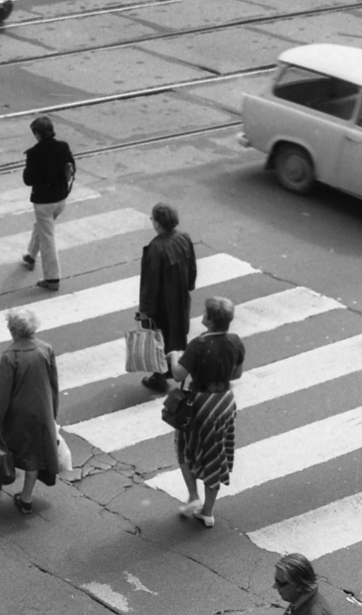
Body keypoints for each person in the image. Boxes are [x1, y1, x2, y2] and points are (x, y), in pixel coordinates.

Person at [171, 296, 245, 528]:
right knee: (216, 453)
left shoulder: (198, 344)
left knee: (184, 447)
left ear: (209, 320)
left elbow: (178, 375)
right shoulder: (235, 342)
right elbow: (236, 375)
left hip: (201, 403)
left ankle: (193, 496)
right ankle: (208, 512)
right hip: (224, 402)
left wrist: (173, 356)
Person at [0, 308, 62, 514]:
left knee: (3, 445)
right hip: (41, 411)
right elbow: (53, 384)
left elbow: (2, 394)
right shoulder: (46, 349)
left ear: (12, 331)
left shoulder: (10, 356)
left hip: (16, 415)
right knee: (34, 455)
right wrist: (52, 412)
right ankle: (26, 498)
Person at [136, 202, 196, 393]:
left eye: (152, 218)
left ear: (158, 223)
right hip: (180, 297)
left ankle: (160, 376)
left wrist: (144, 310)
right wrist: (189, 286)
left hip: (162, 304)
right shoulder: (183, 238)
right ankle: (176, 368)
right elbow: (192, 266)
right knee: (178, 334)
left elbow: (150, 283)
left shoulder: (156, 248)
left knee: (158, 338)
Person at [21, 115, 74, 291]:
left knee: (47, 238)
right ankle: (30, 255)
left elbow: (28, 180)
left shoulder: (35, 154)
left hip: (44, 201)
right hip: (61, 198)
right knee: (44, 227)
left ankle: (52, 279)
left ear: (37, 134)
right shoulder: (63, 147)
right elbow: (71, 167)